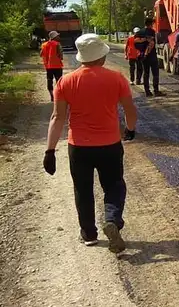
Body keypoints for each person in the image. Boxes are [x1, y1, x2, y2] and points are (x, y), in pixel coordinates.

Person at [44, 33, 137, 253]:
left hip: (79, 147)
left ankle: (88, 233)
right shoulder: (117, 79)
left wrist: (50, 150)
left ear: (82, 58)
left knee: (83, 189)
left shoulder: (65, 82)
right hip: (110, 145)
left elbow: (57, 118)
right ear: (102, 57)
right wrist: (130, 129)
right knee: (114, 185)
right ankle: (112, 220)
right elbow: (130, 110)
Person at [134, 18, 163, 97]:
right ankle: (156, 91)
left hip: (142, 55)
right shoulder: (151, 31)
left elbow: (135, 42)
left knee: (146, 73)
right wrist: (148, 52)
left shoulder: (139, 32)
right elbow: (152, 43)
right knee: (155, 73)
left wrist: (142, 51)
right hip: (151, 55)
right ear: (151, 24)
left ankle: (147, 91)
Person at [40, 31, 64, 102]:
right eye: (57, 36)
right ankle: (58, 96)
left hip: (48, 66)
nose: (59, 37)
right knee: (59, 81)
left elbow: (41, 54)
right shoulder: (57, 44)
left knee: (49, 80)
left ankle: (52, 96)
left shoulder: (44, 44)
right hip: (57, 66)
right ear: (54, 37)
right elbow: (61, 55)